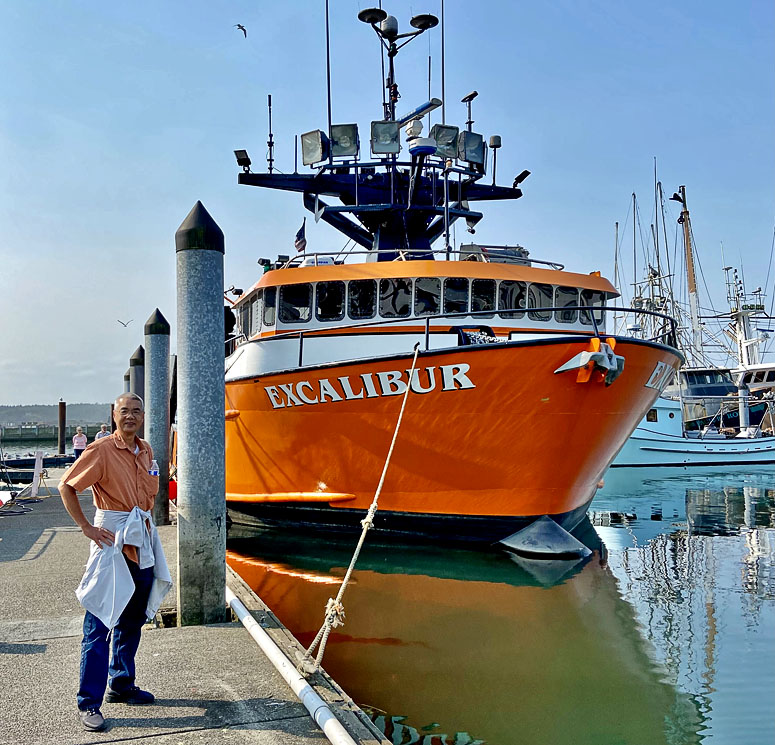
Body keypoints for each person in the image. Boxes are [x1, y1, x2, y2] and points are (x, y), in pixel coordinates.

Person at [59, 393, 171, 732]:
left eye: (136, 411)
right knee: (99, 622)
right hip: (112, 543)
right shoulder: (101, 450)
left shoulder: (146, 450)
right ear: (114, 414)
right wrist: (87, 527)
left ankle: (121, 683)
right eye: (124, 411)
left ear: (142, 417)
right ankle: (88, 702)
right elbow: (67, 486)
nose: (130, 416)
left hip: (142, 542)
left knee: (133, 618)